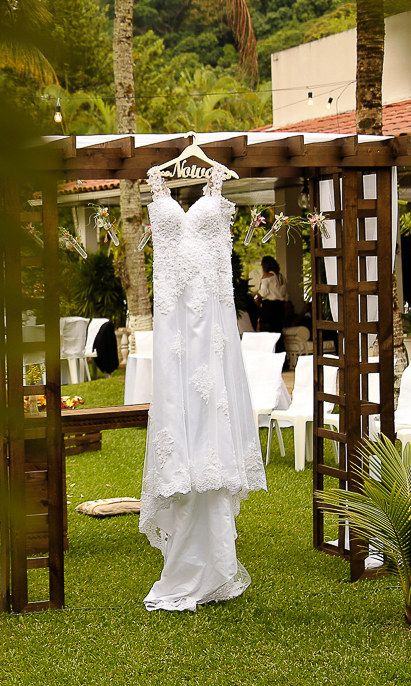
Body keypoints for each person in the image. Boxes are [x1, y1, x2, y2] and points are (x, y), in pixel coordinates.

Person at [139, 164, 266, 612]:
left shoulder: (218, 187)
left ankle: (214, 559)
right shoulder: (157, 190)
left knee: (211, 416)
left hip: (212, 321)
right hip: (173, 323)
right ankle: (188, 557)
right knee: (180, 415)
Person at [255, 256, 288, 337]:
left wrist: (257, 296)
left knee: (267, 333)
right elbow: (284, 293)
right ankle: (279, 349)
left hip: (269, 306)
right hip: (280, 307)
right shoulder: (281, 277)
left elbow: (264, 292)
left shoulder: (267, 276)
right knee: (277, 332)